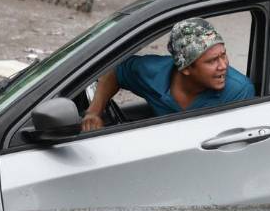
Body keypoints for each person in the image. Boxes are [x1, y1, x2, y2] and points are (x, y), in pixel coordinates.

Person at [81, 17, 256, 132]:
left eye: (223, 55)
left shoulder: (239, 91)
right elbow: (114, 71)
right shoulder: (151, 72)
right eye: (212, 61)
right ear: (186, 68)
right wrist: (94, 112)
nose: (223, 65)